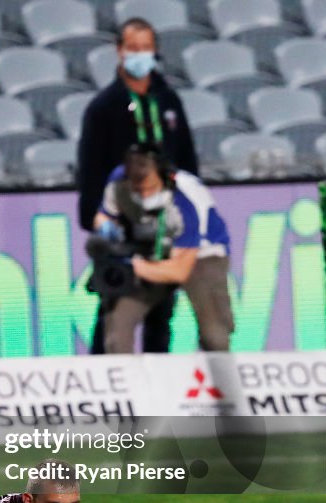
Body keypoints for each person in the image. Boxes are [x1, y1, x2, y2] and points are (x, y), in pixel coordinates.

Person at [77, 17, 199, 355]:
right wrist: (97, 219)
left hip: (165, 223)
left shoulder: (169, 101)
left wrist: (191, 213)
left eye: (146, 49)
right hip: (122, 224)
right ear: (119, 51)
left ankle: (156, 394)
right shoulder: (103, 108)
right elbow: (90, 170)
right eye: (133, 49)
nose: (140, 56)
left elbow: (187, 161)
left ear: (156, 51)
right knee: (114, 312)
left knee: (162, 316)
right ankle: (105, 390)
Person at [91, 143, 233, 354]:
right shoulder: (118, 182)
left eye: (149, 189)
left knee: (214, 335)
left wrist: (132, 266)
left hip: (200, 255)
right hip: (150, 250)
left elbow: (179, 271)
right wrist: (107, 234)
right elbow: (104, 215)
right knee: (116, 330)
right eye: (137, 189)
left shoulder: (186, 203)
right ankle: (126, 382)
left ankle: (222, 381)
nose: (144, 196)